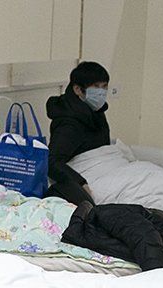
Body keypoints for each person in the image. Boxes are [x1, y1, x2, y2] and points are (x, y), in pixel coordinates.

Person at [46, 61, 111, 205]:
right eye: (96, 87)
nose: (101, 92)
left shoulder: (95, 111)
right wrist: (80, 183)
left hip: (106, 167)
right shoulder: (69, 122)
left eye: (104, 86)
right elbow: (51, 161)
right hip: (85, 174)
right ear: (77, 89)